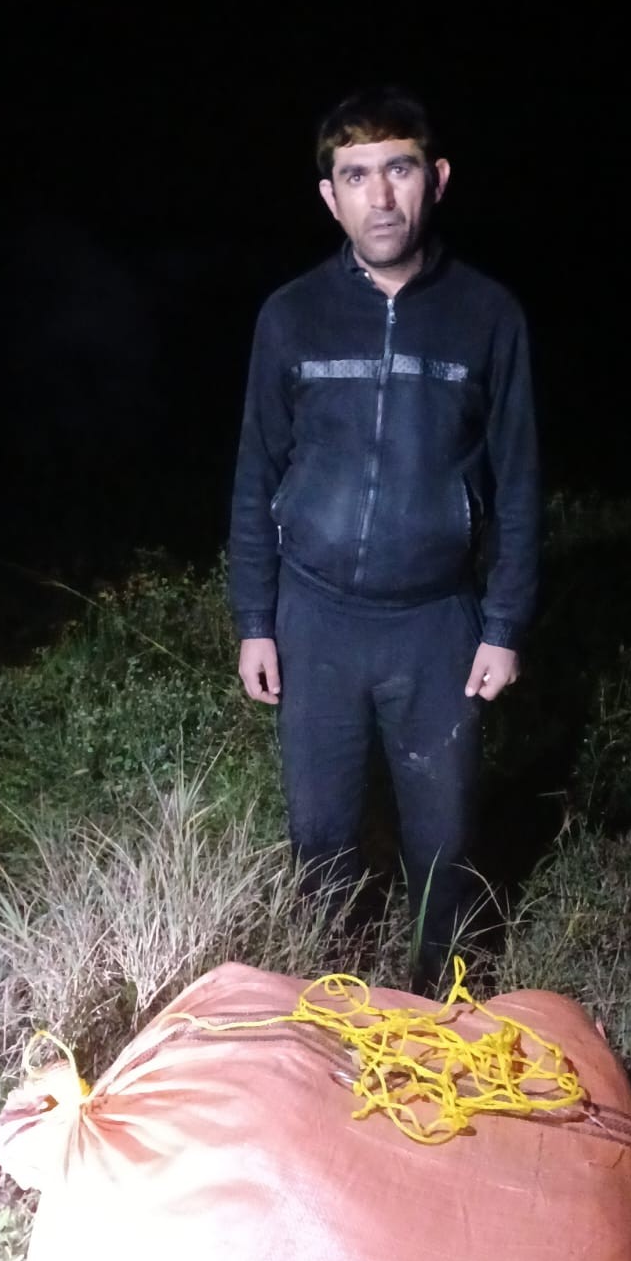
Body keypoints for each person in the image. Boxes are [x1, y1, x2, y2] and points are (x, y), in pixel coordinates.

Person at [228, 87, 539, 993]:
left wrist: (504, 624)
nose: (381, 196)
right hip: (316, 617)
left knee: (443, 840)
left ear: (435, 179)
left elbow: (520, 482)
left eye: (399, 169)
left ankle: (438, 1002)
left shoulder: (488, 315)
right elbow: (255, 474)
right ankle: (331, 998)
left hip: (436, 623)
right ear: (331, 197)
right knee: (321, 835)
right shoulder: (290, 315)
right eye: (357, 176)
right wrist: (255, 620)